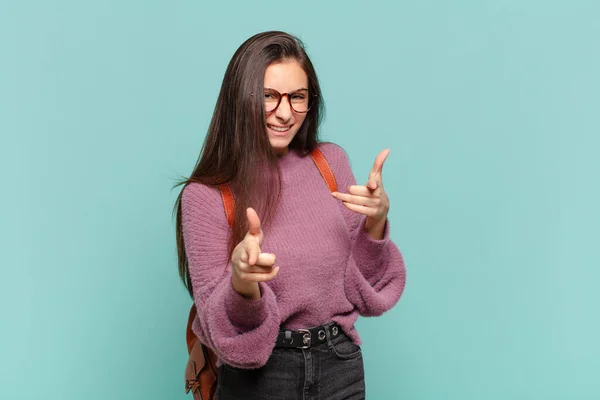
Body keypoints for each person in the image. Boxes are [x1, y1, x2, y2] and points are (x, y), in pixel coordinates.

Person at [174, 31, 406, 400]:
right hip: (262, 377)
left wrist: (375, 225)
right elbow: (226, 335)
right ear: (240, 98)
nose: (285, 112)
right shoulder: (205, 195)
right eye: (268, 96)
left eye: (298, 97)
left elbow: (365, 290)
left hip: (338, 363)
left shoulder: (330, 163)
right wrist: (242, 285)